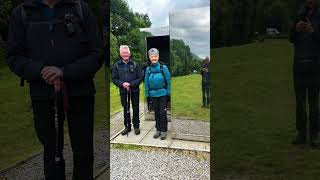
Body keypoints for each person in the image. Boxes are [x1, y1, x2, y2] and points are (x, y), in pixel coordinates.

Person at [6, 0, 103, 179]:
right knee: (52, 154)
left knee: (83, 152)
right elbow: (13, 56)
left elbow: (97, 54)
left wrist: (65, 72)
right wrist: (41, 71)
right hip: (43, 95)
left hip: (80, 92)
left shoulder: (80, 9)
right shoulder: (23, 12)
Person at [290, 0, 320, 147]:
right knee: (300, 103)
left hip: (315, 66)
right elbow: (291, 38)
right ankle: (301, 134)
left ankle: (314, 136)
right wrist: (296, 28)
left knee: (314, 103)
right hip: (299, 65)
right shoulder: (300, 14)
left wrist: (313, 31)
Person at [112, 45, 142, 136]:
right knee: (126, 109)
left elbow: (140, 78)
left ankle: (136, 126)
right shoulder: (116, 65)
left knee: (136, 108)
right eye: (123, 53)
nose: (125, 54)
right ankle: (127, 127)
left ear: (129, 53)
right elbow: (114, 79)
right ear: (120, 54)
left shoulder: (135, 64)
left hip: (135, 90)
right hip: (123, 91)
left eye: (126, 53)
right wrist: (122, 84)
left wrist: (131, 84)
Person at [145, 48, 170, 140]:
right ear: (149, 58)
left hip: (163, 94)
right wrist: (147, 94)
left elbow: (168, 80)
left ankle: (163, 131)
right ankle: (158, 129)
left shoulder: (163, 68)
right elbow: (146, 82)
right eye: (152, 57)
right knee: (156, 113)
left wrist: (168, 93)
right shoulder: (148, 69)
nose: (154, 58)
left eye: (155, 56)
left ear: (158, 56)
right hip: (153, 95)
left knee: (162, 113)